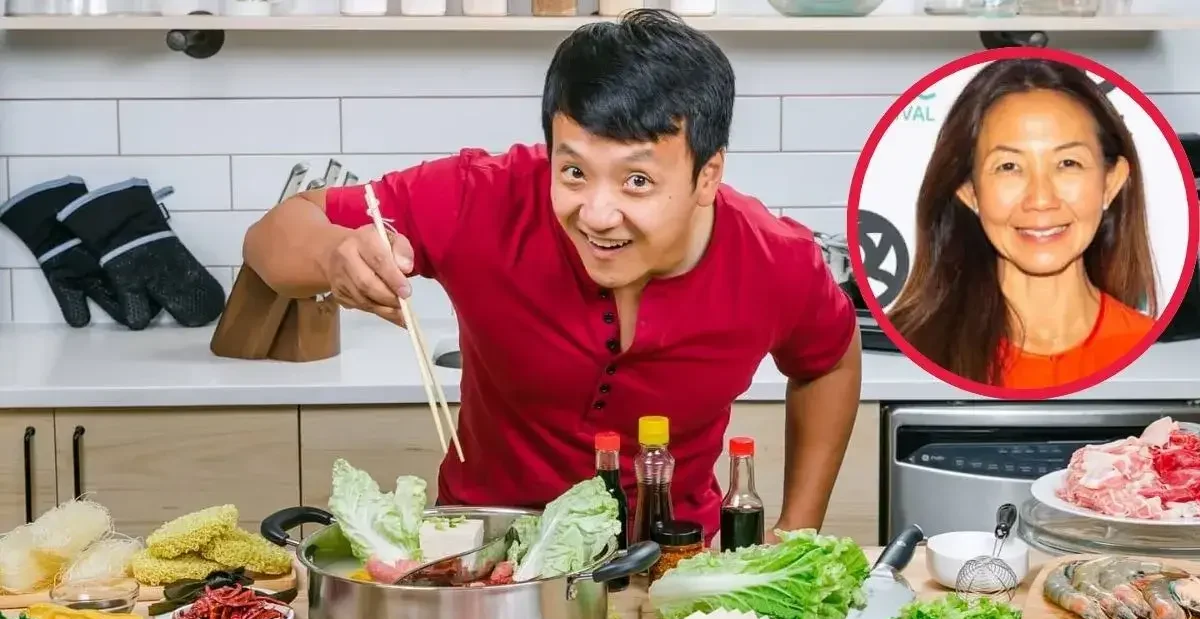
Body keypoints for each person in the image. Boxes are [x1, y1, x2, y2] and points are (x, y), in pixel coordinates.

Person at [243, 9, 862, 545]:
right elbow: (273, 236)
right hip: (486, 550)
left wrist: (798, 526)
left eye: (637, 181)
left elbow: (829, 359)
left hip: (666, 557)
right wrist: (334, 254)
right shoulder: (482, 196)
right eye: (574, 173)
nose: (596, 214)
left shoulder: (776, 259)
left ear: (708, 175)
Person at [887, 58, 1157, 389]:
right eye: (1009, 167)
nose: (1041, 199)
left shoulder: (1153, 352)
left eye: (1068, 163)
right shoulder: (905, 350)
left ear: (1111, 183)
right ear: (970, 192)